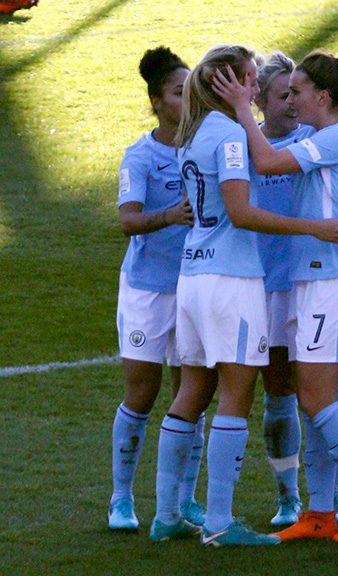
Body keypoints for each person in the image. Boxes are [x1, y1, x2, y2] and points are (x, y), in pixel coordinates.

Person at [150, 44, 338, 547]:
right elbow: (241, 213)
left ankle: (166, 513)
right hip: (233, 280)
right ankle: (220, 522)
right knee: (237, 397)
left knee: (190, 394)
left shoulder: (193, 133)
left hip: (192, 277)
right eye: (251, 78)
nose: (258, 87)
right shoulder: (232, 136)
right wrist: (313, 226)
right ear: (233, 84)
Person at [214, 48, 338, 544]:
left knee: (317, 399)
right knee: (318, 399)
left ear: (321, 96)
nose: (290, 100)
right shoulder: (326, 137)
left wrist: (241, 109)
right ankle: (318, 511)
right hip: (313, 282)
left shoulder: (336, 137)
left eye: (296, 91)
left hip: (334, 283)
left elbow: (268, 160)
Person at [110, 46, 204, 532]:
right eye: (177, 92)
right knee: (142, 395)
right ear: (156, 102)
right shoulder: (140, 155)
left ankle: (185, 500)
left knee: (192, 392)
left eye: (191, 89)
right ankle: (121, 499)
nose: (187, 99)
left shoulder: (202, 149)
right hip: (148, 290)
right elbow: (127, 221)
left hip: (194, 288)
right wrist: (168, 215)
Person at [248, 52, 316, 528]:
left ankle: (327, 498)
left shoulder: (313, 140)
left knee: (321, 390)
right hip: (262, 285)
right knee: (278, 391)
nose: (292, 102)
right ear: (260, 101)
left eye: (296, 93)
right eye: (282, 95)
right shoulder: (243, 147)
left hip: (311, 284)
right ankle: (288, 497)